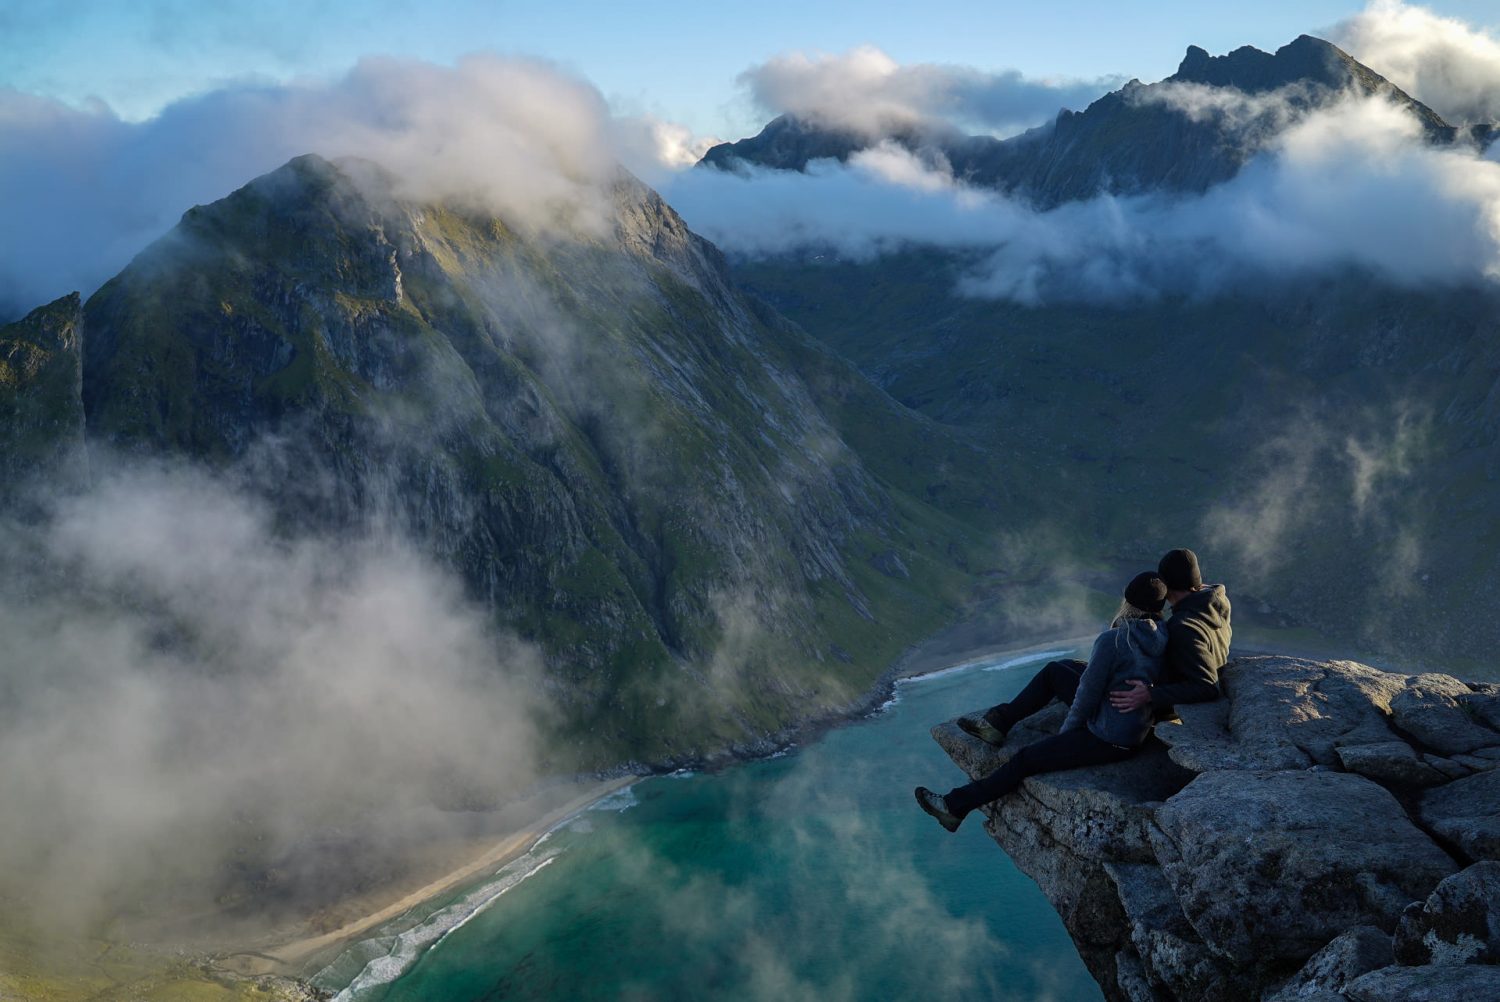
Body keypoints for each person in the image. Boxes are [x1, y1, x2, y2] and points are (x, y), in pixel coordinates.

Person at [915, 572, 1169, 833]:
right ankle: (998, 723)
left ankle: (954, 807)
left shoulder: (1113, 640)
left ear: (1128, 602)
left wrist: (1067, 735)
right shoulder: (1163, 635)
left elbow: (1087, 694)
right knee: (1056, 670)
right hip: (1130, 723)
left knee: (1026, 758)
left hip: (1110, 736)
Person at [1107, 548, 1231, 718]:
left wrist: (1150, 694)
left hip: (1174, 709)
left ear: (1167, 586)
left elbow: (1207, 686)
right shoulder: (1217, 602)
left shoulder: (1183, 627)